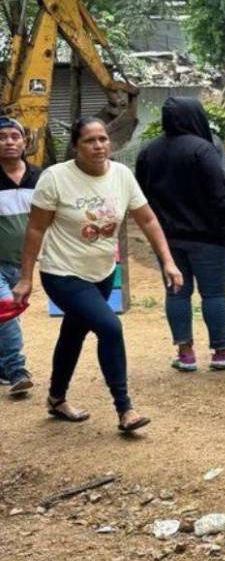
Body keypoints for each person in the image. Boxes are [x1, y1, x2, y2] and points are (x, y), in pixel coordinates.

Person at [13, 117, 184, 433]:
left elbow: (147, 220)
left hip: (103, 271)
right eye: (90, 140)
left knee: (73, 333)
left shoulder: (121, 175)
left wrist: (168, 261)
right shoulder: (55, 178)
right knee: (109, 327)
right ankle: (125, 409)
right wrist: (26, 278)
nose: (99, 146)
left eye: (103, 139)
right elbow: (36, 229)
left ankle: (56, 398)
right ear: (76, 146)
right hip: (62, 273)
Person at [135, 97, 225, 372]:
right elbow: (221, 196)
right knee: (213, 296)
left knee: (177, 294)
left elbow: (140, 196)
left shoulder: (148, 152)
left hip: (167, 239)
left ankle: (185, 354)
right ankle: (222, 351)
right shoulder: (203, 150)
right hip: (208, 237)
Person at [0, 117, 39, 396]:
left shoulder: (40, 177)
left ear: (25, 142)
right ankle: (17, 371)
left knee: (9, 315)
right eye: (2, 137)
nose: (9, 141)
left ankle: (3, 366)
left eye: (15, 136)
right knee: (5, 310)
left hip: (23, 263)